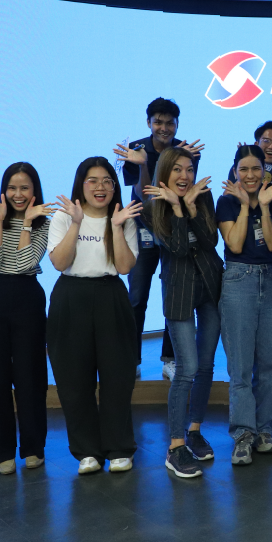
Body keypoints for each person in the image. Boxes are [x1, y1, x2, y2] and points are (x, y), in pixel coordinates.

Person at [47, 157, 141, 474]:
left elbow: (125, 267)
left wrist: (115, 227)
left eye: (107, 181)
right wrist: (76, 224)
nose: (100, 187)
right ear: (81, 184)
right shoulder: (64, 216)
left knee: (117, 377)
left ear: (114, 186)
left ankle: (119, 448)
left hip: (110, 295)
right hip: (70, 296)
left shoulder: (123, 218)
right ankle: (86, 451)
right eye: (93, 180)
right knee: (73, 380)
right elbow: (60, 263)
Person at [141, 147, 223, 478]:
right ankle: (175, 446)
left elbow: (210, 240)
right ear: (165, 171)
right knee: (186, 368)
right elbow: (175, 247)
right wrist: (177, 208)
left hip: (210, 286)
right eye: (177, 169)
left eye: (189, 169)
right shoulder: (151, 204)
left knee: (205, 365)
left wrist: (190, 206)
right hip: (178, 292)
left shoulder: (203, 196)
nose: (185, 176)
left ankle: (194, 430)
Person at [0, 163, 56, 475]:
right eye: (12, 187)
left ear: (34, 190)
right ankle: (1, 451)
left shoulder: (44, 222)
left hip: (27, 298)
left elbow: (24, 264)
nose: (17, 194)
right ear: (4, 190)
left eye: (24, 187)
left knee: (30, 375)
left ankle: (33, 448)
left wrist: (26, 224)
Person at [114, 97, 205, 381]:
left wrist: (186, 161)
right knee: (137, 296)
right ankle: (131, 359)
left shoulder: (185, 151)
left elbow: (183, 191)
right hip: (142, 228)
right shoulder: (136, 150)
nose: (164, 128)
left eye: (169, 123)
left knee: (174, 294)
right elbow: (143, 196)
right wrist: (142, 165)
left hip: (173, 228)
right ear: (148, 123)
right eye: (158, 122)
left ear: (177, 124)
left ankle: (170, 359)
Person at [217, 145, 272, 465]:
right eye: (243, 169)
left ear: (264, 171)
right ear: (235, 171)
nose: (250, 175)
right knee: (241, 365)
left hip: (270, 279)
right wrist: (246, 206)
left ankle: (263, 429)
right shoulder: (226, 202)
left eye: (256, 169)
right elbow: (233, 243)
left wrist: (265, 207)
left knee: (271, 364)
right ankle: (243, 433)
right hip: (238, 279)